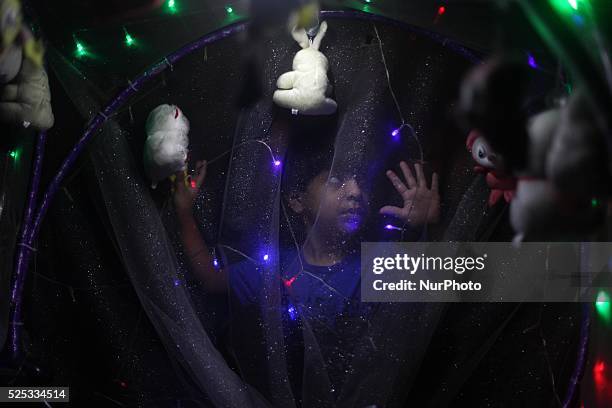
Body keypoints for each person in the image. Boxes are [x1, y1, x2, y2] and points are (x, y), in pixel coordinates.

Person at [172, 145, 440, 402]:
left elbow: (455, 283)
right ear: (297, 200)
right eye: (336, 179)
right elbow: (209, 277)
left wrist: (426, 229)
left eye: (361, 181)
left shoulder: (378, 260)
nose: (356, 191)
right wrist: (184, 212)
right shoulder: (274, 268)